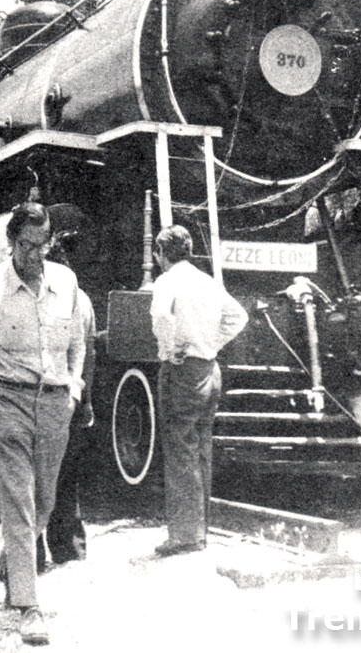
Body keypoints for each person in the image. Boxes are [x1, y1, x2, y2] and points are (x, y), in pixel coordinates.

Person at [0, 202, 85, 646]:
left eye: (43, 245)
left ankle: (14, 553)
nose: (36, 254)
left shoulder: (66, 282)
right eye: (27, 245)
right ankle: (29, 605)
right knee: (18, 500)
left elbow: (77, 345)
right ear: (11, 242)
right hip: (4, 402)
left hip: (54, 404)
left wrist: (75, 390)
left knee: (44, 499)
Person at [150, 225, 248, 556]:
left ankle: (183, 536)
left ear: (161, 254)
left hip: (182, 372)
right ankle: (200, 532)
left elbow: (161, 315)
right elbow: (238, 316)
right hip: (210, 370)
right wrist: (211, 343)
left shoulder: (167, 281)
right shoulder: (208, 281)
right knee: (201, 451)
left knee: (180, 452)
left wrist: (170, 348)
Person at [37, 232, 96, 567]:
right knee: (67, 473)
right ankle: (69, 546)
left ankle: (34, 550)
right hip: (72, 398)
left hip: (47, 397)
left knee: (38, 474)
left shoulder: (44, 296)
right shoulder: (84, 300)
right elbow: (89, 357)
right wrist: (87, 399)